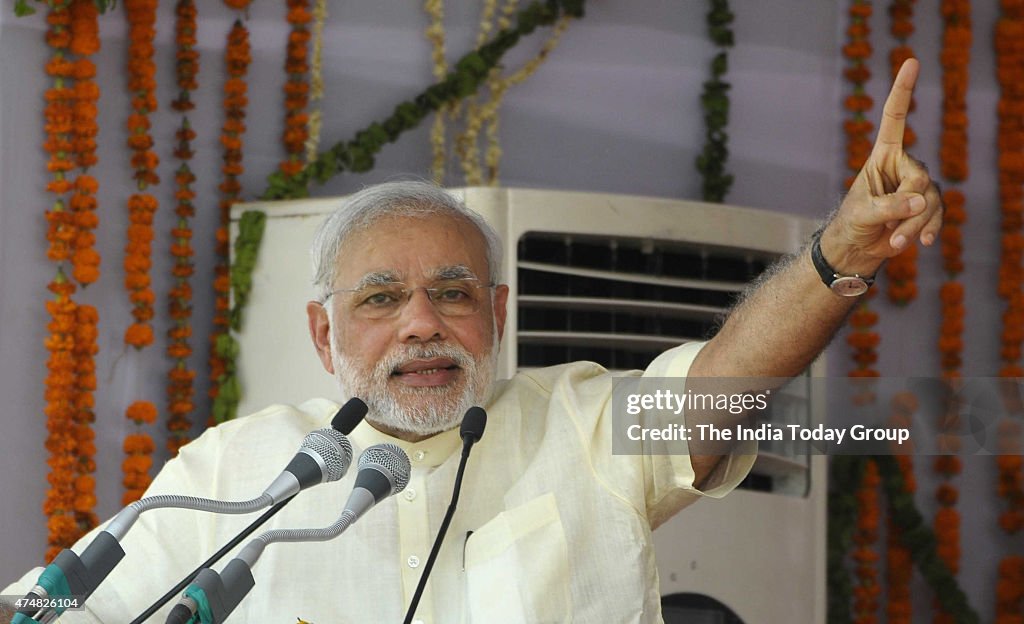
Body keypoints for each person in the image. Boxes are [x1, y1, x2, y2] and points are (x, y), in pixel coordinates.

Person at [2, 59, 941, 623]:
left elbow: (722, 386)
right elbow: (65, 607)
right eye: (382, 298)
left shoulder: (576, 426)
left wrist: (838, 254)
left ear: (495, 314)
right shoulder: (238, 472)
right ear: (323, 333)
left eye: (453, 293)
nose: (422, 322)